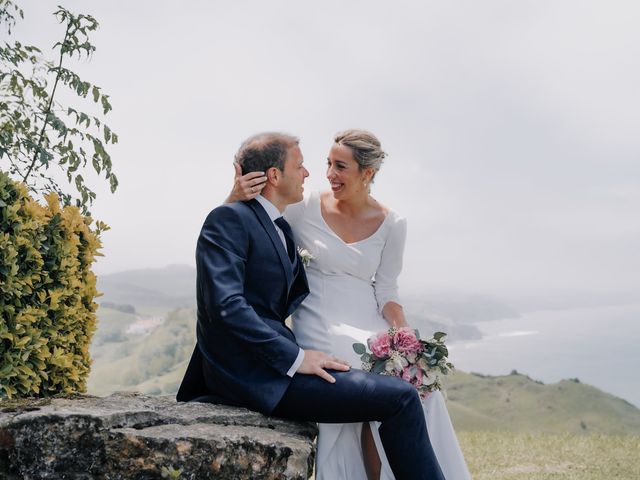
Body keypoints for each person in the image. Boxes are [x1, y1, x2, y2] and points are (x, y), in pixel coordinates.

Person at [177, 132, 445, 480]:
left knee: (401, 394)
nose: (308, 175)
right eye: (300, 166)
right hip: (253, 374)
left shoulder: (277, 222)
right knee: (401, 398)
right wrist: (298, 358)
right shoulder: (229, 220)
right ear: (274, 176)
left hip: (276, 362)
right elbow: (226, 308)